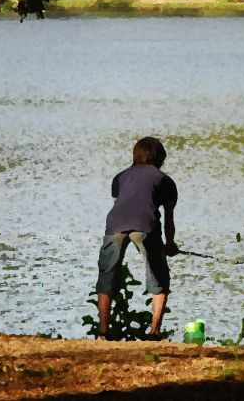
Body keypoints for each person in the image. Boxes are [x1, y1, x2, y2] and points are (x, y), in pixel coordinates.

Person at [95, 137, 179, 340]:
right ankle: (154, 333)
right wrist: (169, 245)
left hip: (115, 224)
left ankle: (103, 332)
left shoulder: (120, 177)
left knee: (107, 274)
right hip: (146, 225)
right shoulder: (166, 181)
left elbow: (124, 205)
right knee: (158, 274)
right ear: (161, 158)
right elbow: (168, 221)